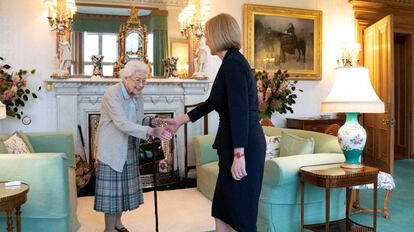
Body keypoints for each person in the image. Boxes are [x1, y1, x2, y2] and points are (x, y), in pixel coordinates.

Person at [165, 13, 266, 232]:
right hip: (234, 142)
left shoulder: (233, 64)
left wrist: (239, 154)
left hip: (243, 144)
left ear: (219, 34)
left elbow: (239, 111)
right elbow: (213, 102)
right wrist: (180, 121)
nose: (206, 40)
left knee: (241, 215)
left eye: (208, 35)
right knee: (221, 209)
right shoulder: (229, 62)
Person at [94, 60, 172, 232]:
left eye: (144, 81)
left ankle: (118, 224)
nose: (141, 85)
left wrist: (152, 121)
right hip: (112, 149)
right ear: (126, 77)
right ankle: (109, 229)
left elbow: (136, 120)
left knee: (122, 192)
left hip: (129, 146)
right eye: (138, 80)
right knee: (113, 196)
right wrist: (152, 132)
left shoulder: (138, 95)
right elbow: (122, 123)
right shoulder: (112, 94)